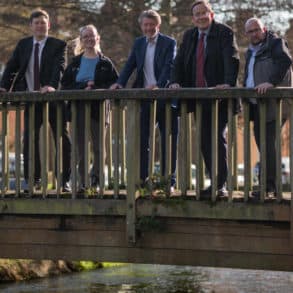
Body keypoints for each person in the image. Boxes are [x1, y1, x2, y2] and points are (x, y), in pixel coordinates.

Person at [169, 0, 239, 197]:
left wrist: (227, 83)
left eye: (203, 13)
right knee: (203, 140)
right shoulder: (190, 35)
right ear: (193, 18)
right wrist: (174, 81)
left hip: (220, 96)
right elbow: (179, 61)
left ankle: (221, 185)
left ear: (212, 14)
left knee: (216, 138)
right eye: (196, 14)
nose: (200, 17)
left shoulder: (224, 32)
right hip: (199, 98)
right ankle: (214, 182)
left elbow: (231, 58)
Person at [0, 9, 71, 192]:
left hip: (53, 98)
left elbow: (60, 67)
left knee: (61, 138)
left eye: (43, 23)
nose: (40, 26)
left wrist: (51, 86)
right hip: (32, 99)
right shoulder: (23, 45)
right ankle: (34, 180)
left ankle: (64, 180)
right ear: (31, 26)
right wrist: (4, 86)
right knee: (29, 140)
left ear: (49, 25)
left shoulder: (58, 44)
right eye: (36, 23)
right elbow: (11, 66)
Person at [110, 9, 178, 188]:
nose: (148, 28)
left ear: (158, 25)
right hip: (145, 98)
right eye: (145, 25)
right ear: (141, 26)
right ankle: (143, 178)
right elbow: (130, 64)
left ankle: (168, 180)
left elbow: (169, 66)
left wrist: (159, 85)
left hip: (164, 98)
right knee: (143, 139)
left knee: (168, 139)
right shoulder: (139, 43)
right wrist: (120, 83)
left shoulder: (169, 42)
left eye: (151, 24)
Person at [61, 24, 118, 192]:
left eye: (91, 36)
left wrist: (97, 87)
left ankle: (97, 180)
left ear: (97, 38)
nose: (89, 39)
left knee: (99, 147)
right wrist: (82, 87)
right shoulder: (75, 62)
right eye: (85, 37)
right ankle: (82, 182)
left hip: (99, 109)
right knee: (79, 148)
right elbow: (64, 85)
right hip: (78, 109)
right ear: (81, 40)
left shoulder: (105, 62)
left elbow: (115, 83)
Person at [243, 18, 292, 197]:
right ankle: (266, 185)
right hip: (257, 104)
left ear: (264, 29)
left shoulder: (276, 43)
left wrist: (271, 82)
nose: (254, 34)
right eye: (250, 31)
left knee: (268, 144)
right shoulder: (250, 51)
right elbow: (249, 74)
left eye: (256, 30)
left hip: (274, 104)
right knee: (262, 145)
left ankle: (269, 187)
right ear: (246, 34)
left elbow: (286, 61)